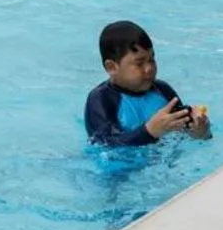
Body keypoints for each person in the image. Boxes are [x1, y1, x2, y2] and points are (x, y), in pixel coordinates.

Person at [84, 20, 212, 147]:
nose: (149, 68)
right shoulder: (101, 100)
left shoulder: (163, 90)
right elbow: (105, 144)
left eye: (151, 59)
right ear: (112, 67)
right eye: (139, 63)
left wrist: (199, 133)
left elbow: (184, 133)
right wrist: (149, 132)